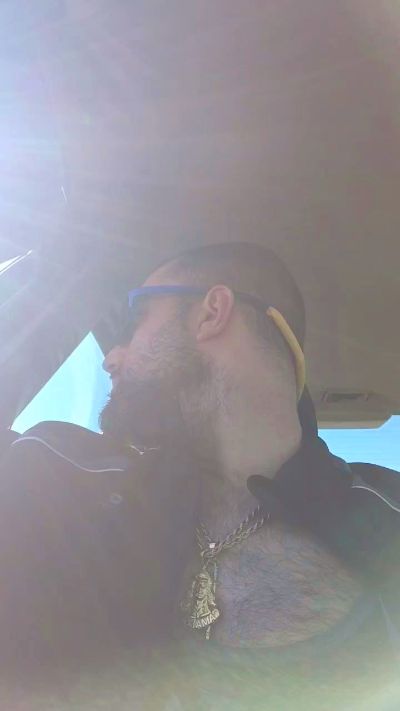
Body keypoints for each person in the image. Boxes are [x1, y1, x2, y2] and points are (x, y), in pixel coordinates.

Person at [1, 242, 399, 709]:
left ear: (211, 313)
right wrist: (60, 252)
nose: (112, 357)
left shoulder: (387, 515)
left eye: (137, 321)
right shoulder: (54, 473)